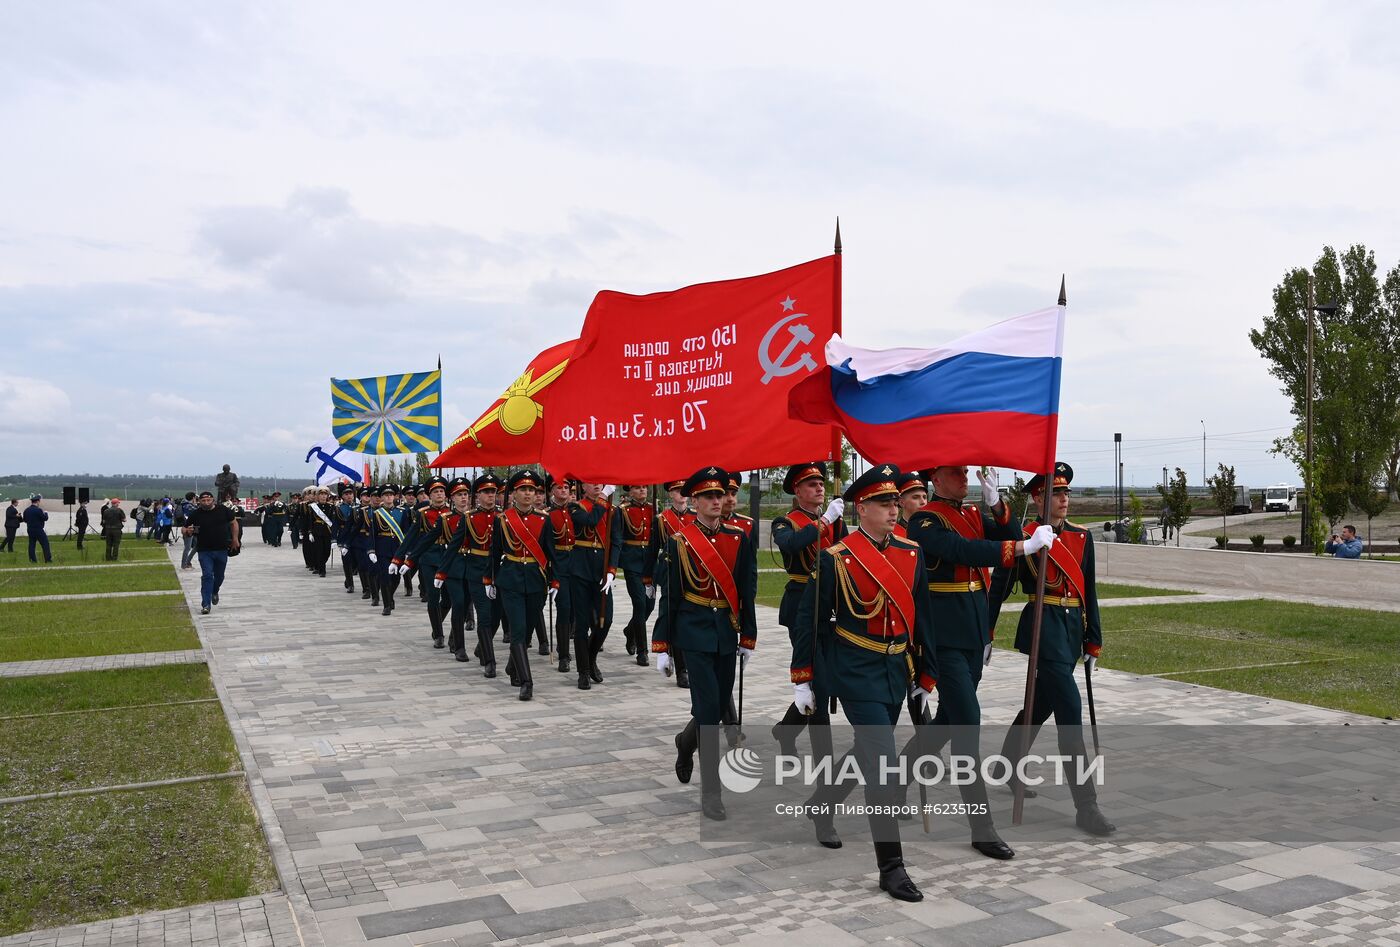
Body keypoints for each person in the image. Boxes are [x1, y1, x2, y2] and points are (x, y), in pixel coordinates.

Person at [794, 464, 936, 902]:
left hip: (896, 671)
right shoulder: (835, 558)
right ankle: (891, 866)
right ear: (862, 507)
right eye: (884, 503)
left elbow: (923, 618)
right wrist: (803, 679)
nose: (895, 510)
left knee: (866, 752)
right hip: (855, 671)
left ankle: (822, 804)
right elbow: (810, 624)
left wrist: (925, 674)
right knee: (881, 761)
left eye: (896, 502)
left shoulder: (911, 553)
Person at [895, 465, 1049, 861]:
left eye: (966, 472)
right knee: (967, 723)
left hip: (973, 632)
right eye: (956, 473)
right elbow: (964, 551)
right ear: (937, 479)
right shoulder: (925, 520)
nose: (965, 477)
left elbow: (1012, 537)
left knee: (949, 720)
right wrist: (1020, 548)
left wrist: (997, 504)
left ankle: (896, 778)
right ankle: (981, 827)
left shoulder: (970, 514)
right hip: (944, 638)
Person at [992, 462, 1115, 837]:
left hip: (1070, 630)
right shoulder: (1027, 536)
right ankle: (1086, 806)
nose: (1064, 500)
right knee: (1069, 713)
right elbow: (1001, 584)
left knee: (1039, 703)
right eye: (1055, 494)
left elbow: (1088, 590)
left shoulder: (1081, 537)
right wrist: (986, 632)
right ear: (1038, 498)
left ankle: (1007, 764)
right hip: (1042, 628)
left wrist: (1093, 637)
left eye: (1066, 493)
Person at [652, 466, 758, 822]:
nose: (717, 501)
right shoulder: (679, 541)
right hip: (694, 633)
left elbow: (747, 591)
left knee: (711, 706)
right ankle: (712, 793)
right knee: (710, 712)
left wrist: (748, 636)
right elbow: (672, 595)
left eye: (720, 495)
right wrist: (662, 643)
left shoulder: (738, 538)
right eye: (709, 496)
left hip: (726, 632)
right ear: (694, 500)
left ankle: (685, 742)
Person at [771, 463, 847, 757]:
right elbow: (790, 545)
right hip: (802, 602)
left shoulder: (833, 521)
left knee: (823, 681)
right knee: (817, 681)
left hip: (829, 604)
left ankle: (785, 730)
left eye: (821, 483)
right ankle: (824, 762)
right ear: (798, 491)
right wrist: (826, 520)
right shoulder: (785, 521)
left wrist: (833, 522)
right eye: (811, 484)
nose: (819, 488)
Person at [486, 470, 557, 701]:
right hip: (511, 579)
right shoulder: (503, 519)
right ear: (514, 493)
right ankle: (527, 682)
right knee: (517, 629)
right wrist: (490, 579)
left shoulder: (544, 519)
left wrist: (554, 580)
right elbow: (494, 552)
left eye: (532, 490)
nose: (528, 494)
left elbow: (550, 552)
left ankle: (512, 665)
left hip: (536, 580)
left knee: (526, 633)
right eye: (523, 490)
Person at [644, 479, 694, 688]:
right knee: (671, 616)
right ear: (670, 494)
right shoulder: (662, 519)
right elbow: (652, 549)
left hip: (693, 574)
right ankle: (680, 668)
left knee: (687, 619)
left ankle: (685, 662)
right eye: (676, 490)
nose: (681, 494)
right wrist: (648, 580)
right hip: (669, 573)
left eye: (684, 491)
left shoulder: (695, 516)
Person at [569, 481, 615, 689]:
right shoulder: (575, 507)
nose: (597, 485)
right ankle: (583, 671)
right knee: (582, 623)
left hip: (602, 572)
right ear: (582, 486)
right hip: (580, 570)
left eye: (600, 482)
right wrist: (604, 497)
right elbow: (590, 521)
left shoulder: (613, 510)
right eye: (591, 482)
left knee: (605, 621)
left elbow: (617, 541)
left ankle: (591, 656)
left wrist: (612, 571)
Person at [612, 484, 656, 665]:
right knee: (639, 603)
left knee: (650, 605)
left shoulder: (653, 509)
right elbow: (618, 537)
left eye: (645, 487)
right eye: (637, 488)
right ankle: (642, 651)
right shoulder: (623, 511)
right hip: (632, 562)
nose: (642, 491)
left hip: (650, 563)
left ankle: (630, 631)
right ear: (630, 492)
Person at [183, 490, 240, 614]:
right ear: (199, 501)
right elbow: (185, 528)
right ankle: (206, 604)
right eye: (203, 500)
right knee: (207, 575)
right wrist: (188, 531)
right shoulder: (196, 513)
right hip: (204, 550)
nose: (206, 502)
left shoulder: (223, 510)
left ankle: (215, 591)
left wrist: (235, 539)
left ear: (213, 500)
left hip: (221, 549)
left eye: (208, 500)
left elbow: (234, 523)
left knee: (219, 576)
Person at [545, 475, 578, 673]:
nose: (564, 490)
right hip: (558, 566)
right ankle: (564, 656)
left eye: (567, 487)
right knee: (564, 609)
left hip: (578, 566)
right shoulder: (547, 515)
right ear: (552, 491)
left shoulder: (577, 512)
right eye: (559, 487)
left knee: (575, 610)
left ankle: (566, 644)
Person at [23, 494, 51, 563]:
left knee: (32, 545)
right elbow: (45, 518)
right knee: (45, 544)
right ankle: (48, 559)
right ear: (37, 501)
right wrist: (46, 513)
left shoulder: (26, 510)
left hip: (30, 529)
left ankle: (33, 560)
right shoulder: (39, 510)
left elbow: (25, 520)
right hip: (38, 529)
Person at [178, 492, 198, 568]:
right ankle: (184, 564)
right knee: (188, 547)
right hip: (189, 527)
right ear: (193, 498)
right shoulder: (189, 506)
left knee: (197, 545)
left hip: (194, 526)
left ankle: (188, 561)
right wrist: (195, 504)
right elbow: (198, 511)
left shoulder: (184, 504)